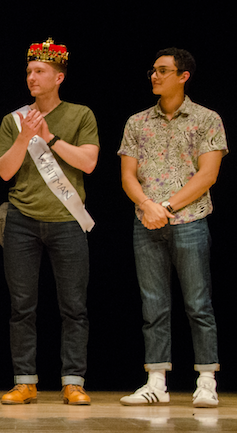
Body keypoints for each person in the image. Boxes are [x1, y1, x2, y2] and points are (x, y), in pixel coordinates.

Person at [118, 48, 225, 408]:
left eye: (163, 71)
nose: (155, 76)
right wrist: (147, 206)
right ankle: (156, 381)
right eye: (153, 70)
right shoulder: (137, 122)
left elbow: (208, 175)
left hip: (189, 220)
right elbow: (128, 176)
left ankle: (206, 380)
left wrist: (164, 206)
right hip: (146, 221)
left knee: (198, 303)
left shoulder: (207, 119)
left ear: (184, 76)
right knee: (153, 304)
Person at [0, 38, 98, 405]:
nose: (32, 78)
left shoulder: (81, 114)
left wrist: (49, 137)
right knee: (22, 305)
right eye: (28, 72)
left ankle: (73, 381)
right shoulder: (14, 119)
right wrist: (25, 137)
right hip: (22, 219)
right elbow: (5, 172)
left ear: (59, 77)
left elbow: (88, 162)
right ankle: (26, 380)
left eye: (40, 72)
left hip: (67, 220)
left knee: (74, 305)